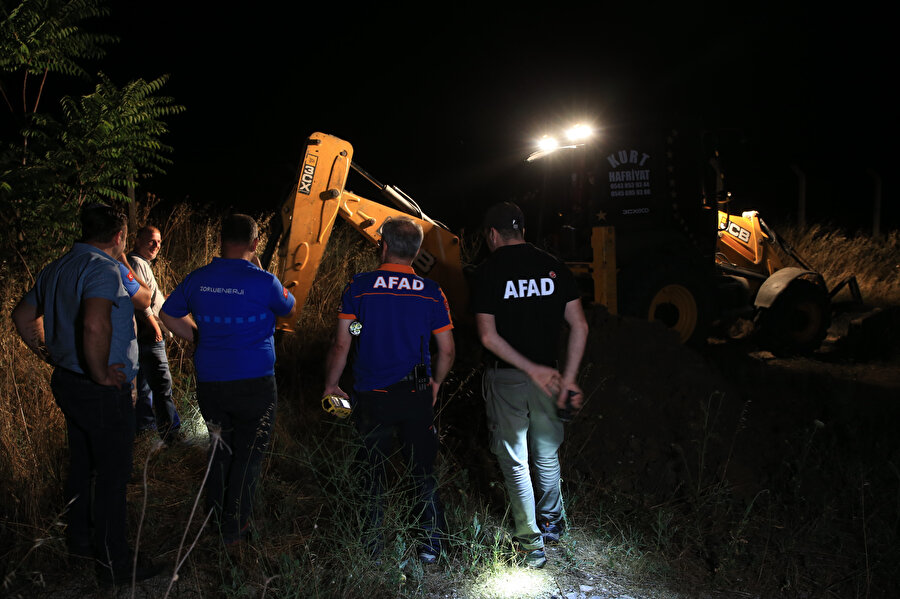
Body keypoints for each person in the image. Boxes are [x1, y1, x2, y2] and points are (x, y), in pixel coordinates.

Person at [11, 204, 163, 584]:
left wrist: (51, 355)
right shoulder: (104, 270)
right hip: (100, 390)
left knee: (81, 466)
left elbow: (22, 317)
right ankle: (115, 565)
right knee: (112, 476)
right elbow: (96, 322)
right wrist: (99, 373)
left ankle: (79, 541)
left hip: (67, 382)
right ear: (119, 237)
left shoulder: (56, 268)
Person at [323, 217, 455, 564]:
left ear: (383, 245)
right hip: (416, 395)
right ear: (415, 252)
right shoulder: (431, 291)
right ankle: (430, 545)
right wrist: (436, 384)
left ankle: (372, 547)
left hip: (370, 396)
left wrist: (332, 385)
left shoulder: (360, 286)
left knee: (372, 471)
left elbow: (342, 343)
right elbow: (448, 349)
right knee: (422, 470)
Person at [160, 214, 296, 546]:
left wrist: (199, 338)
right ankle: (235, 529)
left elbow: (167, 314)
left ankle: (214, 516)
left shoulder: (198, 278)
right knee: (248, 456)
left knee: (221, 450)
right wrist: (263, 274)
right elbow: (289, 311)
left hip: (212, 382)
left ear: (220, 240)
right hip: (255, 384)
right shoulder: (265, 282)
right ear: (254, 243)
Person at [471, 201, 589, 569]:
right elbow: (580, 326)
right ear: (521, 230)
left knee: (515, 459)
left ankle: (530, 543)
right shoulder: (553, 265)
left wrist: (527, 368)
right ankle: (552, 522)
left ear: (491, 234)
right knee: (546, 452)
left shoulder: (487, 271)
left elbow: (488, 338)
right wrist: (566, 378)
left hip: (507, 378)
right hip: (552, 376)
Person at [128, 225, 183, 441]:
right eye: (151, 240)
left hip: (146, 336)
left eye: (159, 242)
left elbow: (150, 297)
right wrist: (153, 325)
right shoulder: (136, 263)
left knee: (145, 388)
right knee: (162, 386)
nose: (156, 246)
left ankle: (146, 432)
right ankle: (171, 434)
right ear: (138, 239)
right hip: (150, 336)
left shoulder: (142, 264)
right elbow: (139, 301)